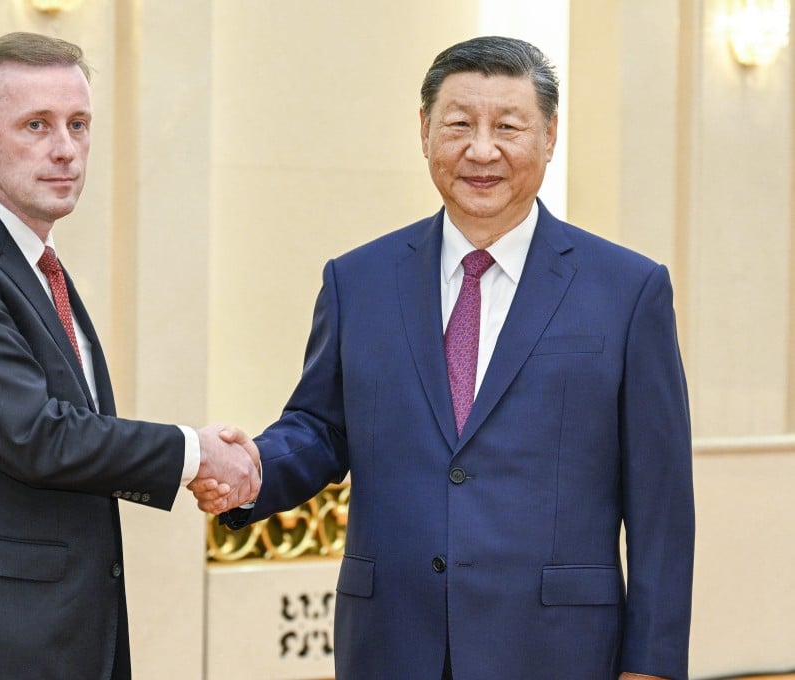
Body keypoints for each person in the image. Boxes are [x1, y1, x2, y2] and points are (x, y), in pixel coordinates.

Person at [196, 36, 694, 679]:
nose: (481, 150)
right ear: (425, 131)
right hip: (393, 642)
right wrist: (256, 467)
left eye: (508, 127)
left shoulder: (628, 290)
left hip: (559, 648)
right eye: (459, 124)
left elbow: (661, 501)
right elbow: (322, 426)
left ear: (549, 137)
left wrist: (651, 664)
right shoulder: (359, 280)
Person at [0, 32, 259, 679]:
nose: (66, 149)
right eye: (36, 125)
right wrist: (194, 453)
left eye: (79, 124)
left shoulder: (39, 267)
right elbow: (36, 435)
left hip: (62, 638)